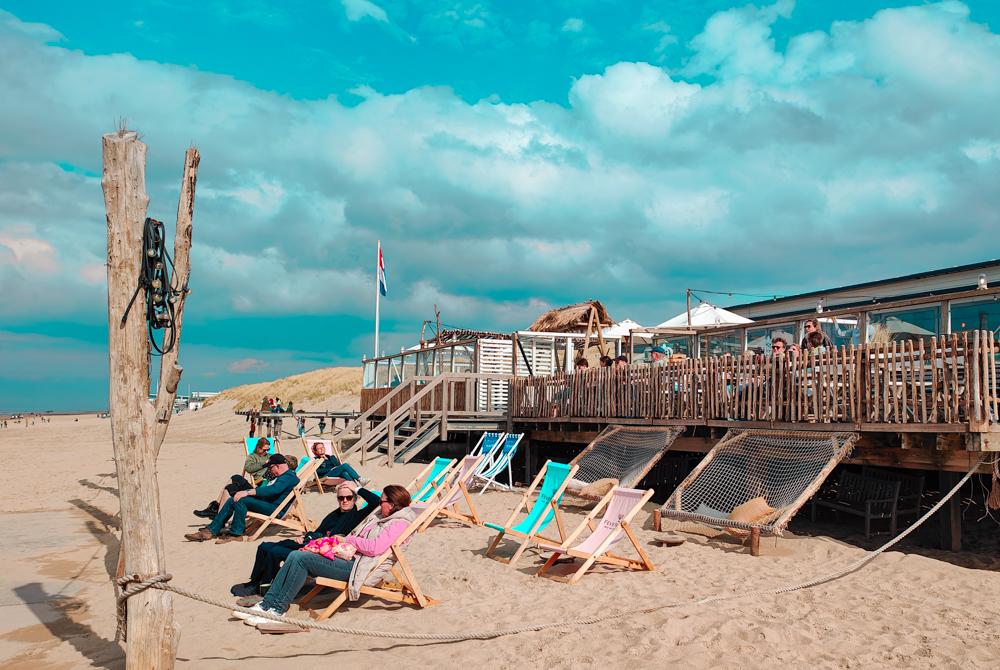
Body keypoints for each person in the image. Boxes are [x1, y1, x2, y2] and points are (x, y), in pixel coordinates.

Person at [235, 484, 417, 626]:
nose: (379, 504)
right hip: (348, 557)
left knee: (301, 559)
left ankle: (278, 609)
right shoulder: (383, 516)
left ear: (392, 505)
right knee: (296, 554)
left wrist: (349, 540)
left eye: (382, 501)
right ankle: (267, 604)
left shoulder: (398, 523)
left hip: (358, 567)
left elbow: (376, 547)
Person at [230, 482, 381, 597]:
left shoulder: (357, 515)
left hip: (323, 553)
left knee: (275, 551)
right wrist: (306, 536)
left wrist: (357, 488)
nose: (345, 501)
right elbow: (319, 531)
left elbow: (376, 501)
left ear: (354, 498)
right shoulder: (334, 514)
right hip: (311, 544)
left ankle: (265, 586)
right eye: (341, 498)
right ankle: (255, 582)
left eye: (349, 497)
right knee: (264, 546)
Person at [185, 454, 300, 543]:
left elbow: (273, 490)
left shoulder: (289, 476)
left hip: (275, 509)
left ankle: (236, 534)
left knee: (241, 500)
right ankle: (210, 531)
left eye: (270, 468)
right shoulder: (285, 476)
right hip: (269, 504)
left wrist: (247, 492)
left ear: (277, 465)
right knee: (233, 499)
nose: (270, 471)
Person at [193, 437, 273, 519]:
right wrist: (264, 463)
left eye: (268, 449)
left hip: (262, 488)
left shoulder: (271, 456)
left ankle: (215, 508)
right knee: (234, 481)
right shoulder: (252, 457)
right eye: (264, 450)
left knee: (235, 480)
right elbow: (249, 469)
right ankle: (216, 511)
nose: (266, 452)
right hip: (257, 484)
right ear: (258, 447)